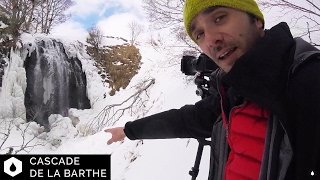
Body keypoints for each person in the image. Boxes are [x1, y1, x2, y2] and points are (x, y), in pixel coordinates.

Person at [105, 0, 320, 179]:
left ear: (256, 19)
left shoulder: (308, 81)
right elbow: (185, 120)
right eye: (199, 34)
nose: (210, 40)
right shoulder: (233, 96)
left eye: (219, 18)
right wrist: (129, 130)